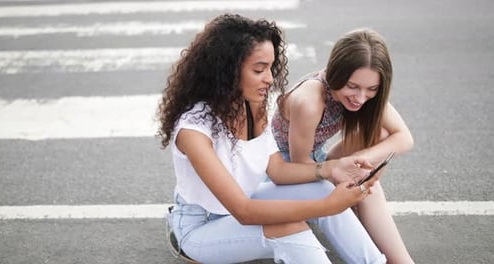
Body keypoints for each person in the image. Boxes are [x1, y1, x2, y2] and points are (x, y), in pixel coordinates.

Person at [157, 14, 387, 263]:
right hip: (201, 228)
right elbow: (244, 212)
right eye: (259, 69)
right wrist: (331, 206)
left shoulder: (253, 106)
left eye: (270, 67)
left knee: (321, 189)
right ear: (227, 70)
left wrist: (333, 168)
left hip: (245, 201)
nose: (269, 78)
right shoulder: (194, 131)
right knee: (289, 227)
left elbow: (276, 170)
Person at [271, 28, 415, 263]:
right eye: (353, 86)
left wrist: (360, 163)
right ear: (337, 73)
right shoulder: (309, 100)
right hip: (285, 171)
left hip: (316, 158)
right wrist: (348, 173)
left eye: (372, 89)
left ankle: (396, 257)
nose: (360, 97)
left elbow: (404, 138)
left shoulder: (364, 89)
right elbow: (300, 165)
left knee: (378, 137)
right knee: (365, 186)